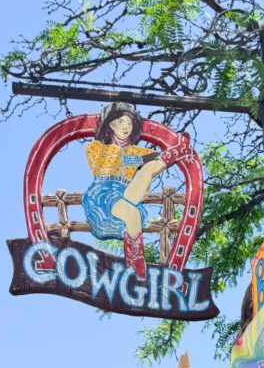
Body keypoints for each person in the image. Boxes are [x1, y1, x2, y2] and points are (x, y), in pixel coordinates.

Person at [82, 102, 192, 279]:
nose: (125, 127)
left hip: (125, 194)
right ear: (111, 125)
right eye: (121, 122)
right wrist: (141, 159)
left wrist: (156, 158)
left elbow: (153, 159)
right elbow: (108, 162)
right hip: (103, 195)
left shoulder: (135, 150)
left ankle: (137, 270)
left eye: (129, 123)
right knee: (130, 211)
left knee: (147, 173)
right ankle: (136, 272)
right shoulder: (96, 147)